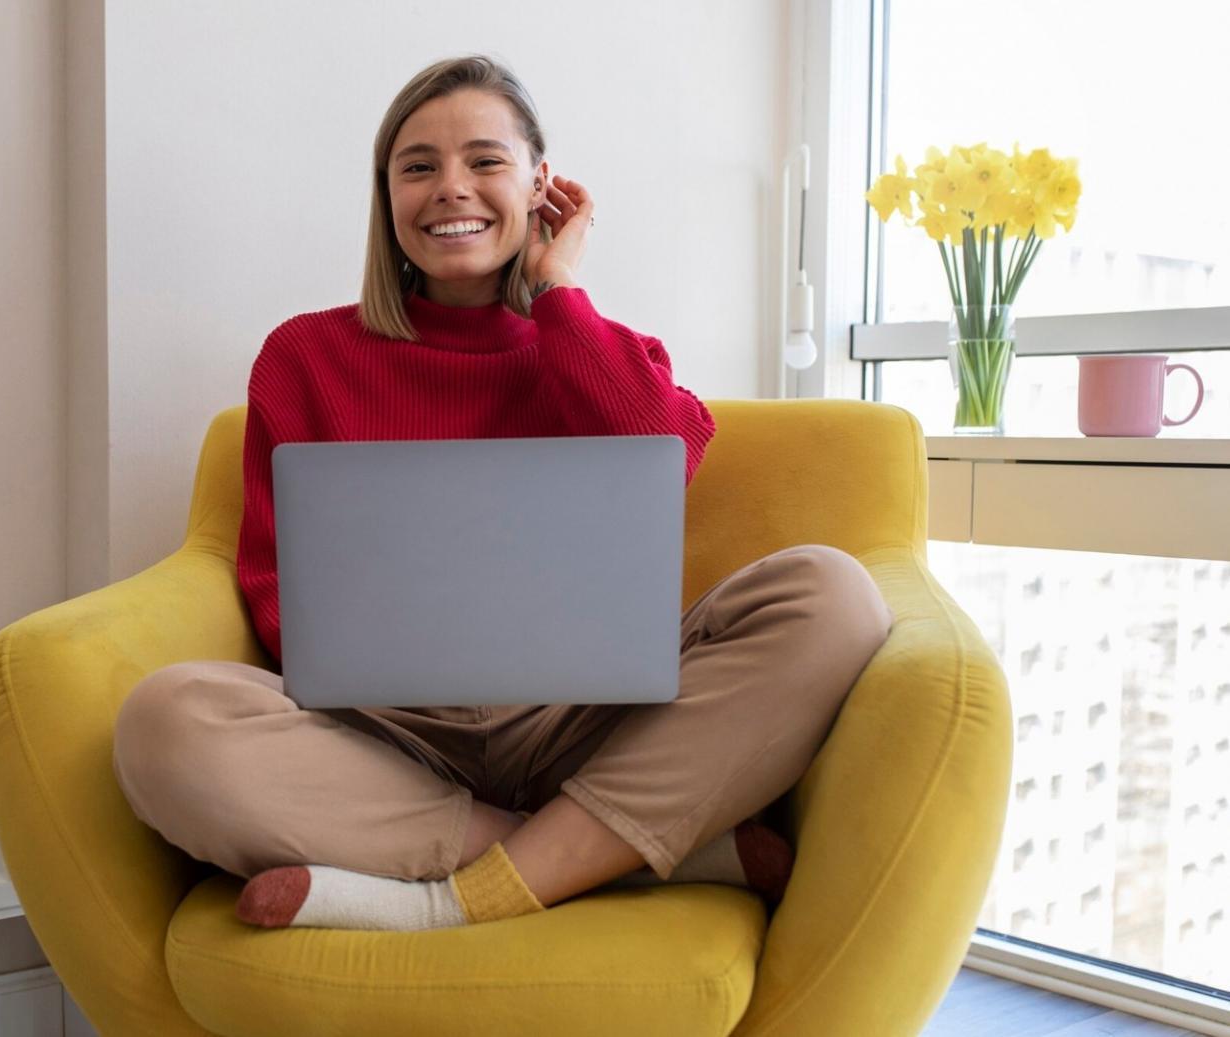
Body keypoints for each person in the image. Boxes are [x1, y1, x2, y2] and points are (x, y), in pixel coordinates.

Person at [112, 54, 894, 933]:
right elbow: (273, 588)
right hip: (384, 736)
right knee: (162, 723)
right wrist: (399, 654)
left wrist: (557, 290)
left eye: (485, 161)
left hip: (585, 722)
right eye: (418, 167)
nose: (451, 188)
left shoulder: (605, 347)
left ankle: (451, 899)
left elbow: (659, 458)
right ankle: (604, 856)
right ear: (387, 196)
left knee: (832, 595)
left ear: (540, 186)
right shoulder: (303, 356)